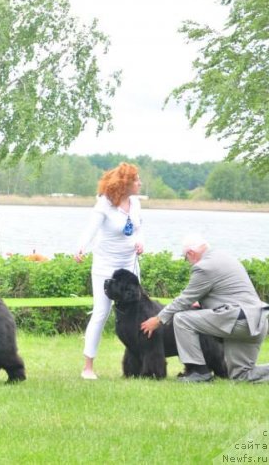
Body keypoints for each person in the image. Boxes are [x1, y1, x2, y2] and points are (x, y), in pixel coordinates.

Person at [140, 235, 269, 383]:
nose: (188, 263)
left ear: (191, 253)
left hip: (238, 321)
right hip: (257, 321)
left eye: (185, 258)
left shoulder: (204, 267)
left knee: (182, 319)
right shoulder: (225, 258)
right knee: (242, 375)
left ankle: (199, 373)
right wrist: (203, 304)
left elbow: (183, 300)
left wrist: (158, 319)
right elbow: (228, 293)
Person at [74, 162, 144, 380]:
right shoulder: (104, 204)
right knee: (101, 313)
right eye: (136, 180)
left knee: (136, 312)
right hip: (105, 265)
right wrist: (81, 247)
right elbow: (91, 229)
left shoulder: (136, 203)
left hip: (130, 264)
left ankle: (137, 363)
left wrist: (140, 243)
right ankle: (88, 367)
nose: (140, 183)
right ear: (125, 184)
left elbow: (139, 229)